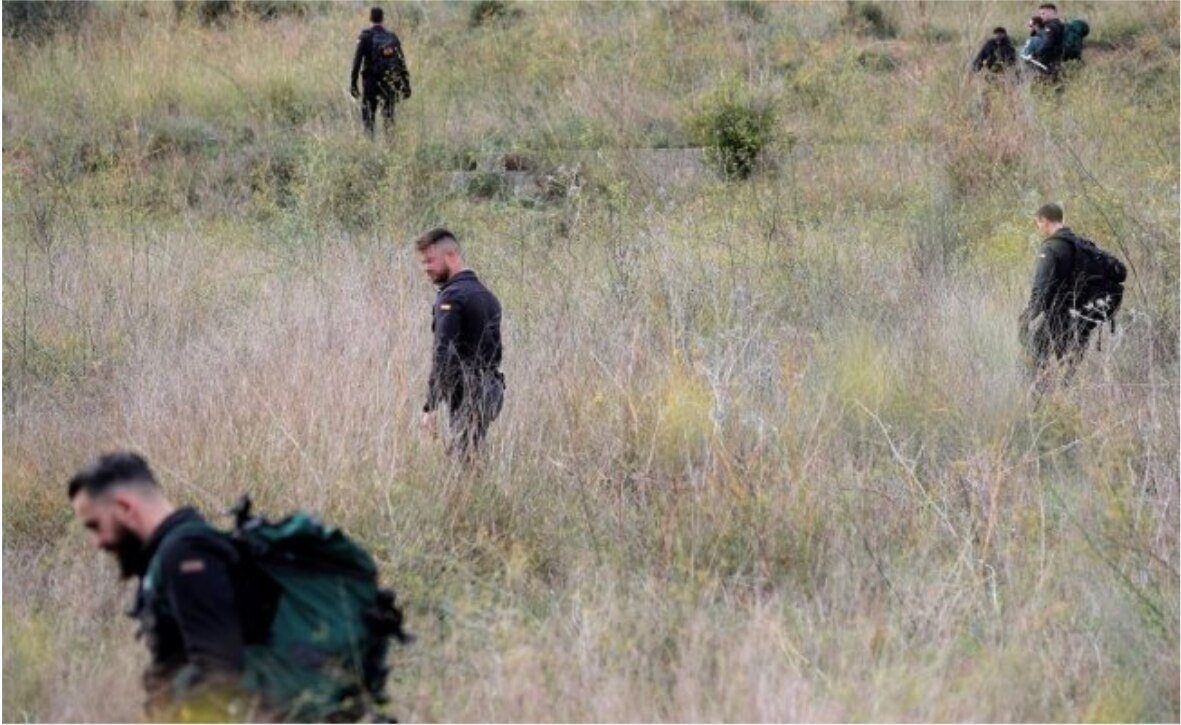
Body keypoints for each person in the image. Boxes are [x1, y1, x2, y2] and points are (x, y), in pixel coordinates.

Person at [68, 452, 249, 720]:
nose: (98, 542)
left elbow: (220, 670)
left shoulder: (185, 556)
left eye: (96, 525)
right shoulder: (170, 554)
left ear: (126, 508)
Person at [416, 228, 505, 459]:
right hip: (491, 392)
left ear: (452, 255)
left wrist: (431, 406)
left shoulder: (452, 296)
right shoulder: (488, 296)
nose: (426, 268)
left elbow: (444, 353)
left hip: (470, 393)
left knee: (461, 464)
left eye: (430, 261)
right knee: (470, 455)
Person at [1019, 203, 1096, 378]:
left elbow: (1041, 288)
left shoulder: (1051, 248)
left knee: (1031, 368)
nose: (1038, 227)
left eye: (1038, 223)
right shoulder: (1084, 246)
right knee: (1070, 374)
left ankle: (1039, 402)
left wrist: (1028, 316)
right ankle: (1068, 402)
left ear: (1044, 221)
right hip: (1082, 320)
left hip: (1055, 319)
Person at [350, 6, 411, 138]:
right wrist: (406, 86)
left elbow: (357, 63)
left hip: (371, 84)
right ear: (383, 19)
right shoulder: (392, 37)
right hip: (389, 83)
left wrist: (353, 84)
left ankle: (369, 149)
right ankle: (391, 148)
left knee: (368, 119)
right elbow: (402, 63)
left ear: (370, 18)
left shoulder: (365, 37)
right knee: (389, 119)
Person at [1030, 3, 1066, 77]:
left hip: (1049, 62)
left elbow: (1047, 44)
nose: (1041, 16)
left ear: (1052, 12)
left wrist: (1035, 54)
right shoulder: (1059, 25)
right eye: (1040, 14)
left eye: (1043, 13)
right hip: (1056, 61)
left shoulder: (1050, 27)